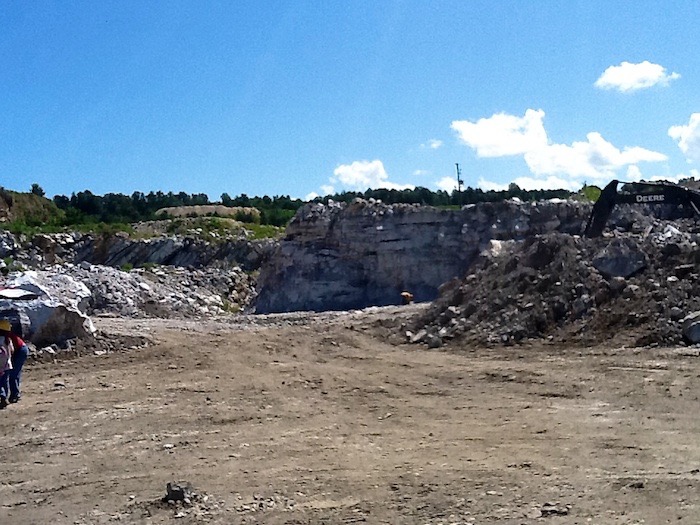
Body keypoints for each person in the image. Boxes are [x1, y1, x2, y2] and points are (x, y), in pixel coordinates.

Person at [0, 319, 28, 405]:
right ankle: (11, 395)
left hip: (20, 351)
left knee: (13, 373)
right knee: (10, 373)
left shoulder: (5, 338)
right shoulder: (6, 336)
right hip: (18, 351)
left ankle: (14, 395)